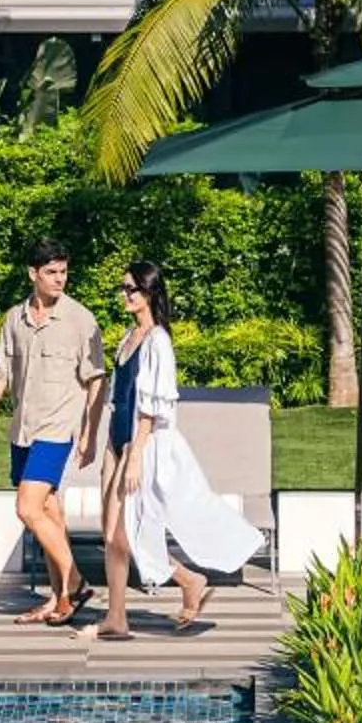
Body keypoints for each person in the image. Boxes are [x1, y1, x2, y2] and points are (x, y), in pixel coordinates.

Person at [92, 263, 263, 642]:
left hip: (141, 444)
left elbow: (154, 406)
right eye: (122, 288)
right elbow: (120, 397)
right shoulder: (128, 337)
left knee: (126, 535)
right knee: (112, 535)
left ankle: (183, 581)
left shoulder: (158, 342)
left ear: (149, 293)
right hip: (116, 442)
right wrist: (107, 446)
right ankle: (119, 615)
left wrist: (135, 454)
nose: (125, 295)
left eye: (131, 289)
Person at [0, 238, 108, 625]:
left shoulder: (80, 319)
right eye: (52, 272)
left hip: (57, 429)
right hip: (22, 430)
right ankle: (58, 598)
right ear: (33, 274)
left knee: (27, 508)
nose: (60, 279)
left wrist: (90, 433)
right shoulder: (14, 319)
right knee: (48, 512)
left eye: (63, 271)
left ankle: (75, 583)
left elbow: (96, 380)